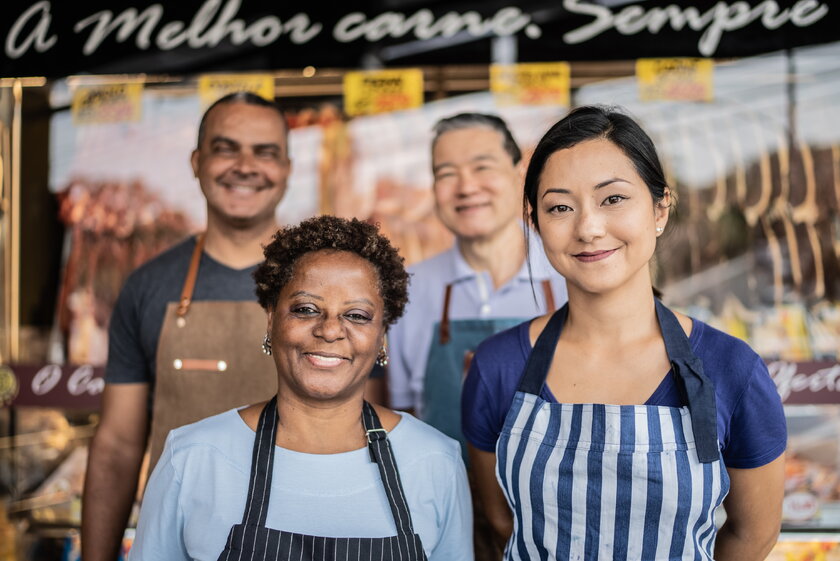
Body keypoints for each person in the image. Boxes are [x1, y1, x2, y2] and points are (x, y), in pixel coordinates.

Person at [462, 106, 786, 560]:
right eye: (559, 207)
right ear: (535, 224)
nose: (589, 228)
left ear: (659, 209)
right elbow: (498, 522)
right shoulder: (497, 366)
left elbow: (753, 535)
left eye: (612, 199)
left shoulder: (733, 369)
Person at [129, 215, 473, 560]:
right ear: (271, 320)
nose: (329, 330)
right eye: (306, 309)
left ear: (382, 335)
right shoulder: (193, 458)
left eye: (356, 315)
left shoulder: (435, 461)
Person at [82, 92, 292, 561]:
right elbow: (117, 445)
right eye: (226, 148)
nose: (245, 165)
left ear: (287, 169)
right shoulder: (148, 287)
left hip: (302, 542)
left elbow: (367, 429)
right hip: (173, 544)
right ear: (196, 162)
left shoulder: (323, 284)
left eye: (265, 152)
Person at [388, 113, 566, 449]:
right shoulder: (407, 290)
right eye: (447, 174)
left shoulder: (569, 276)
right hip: (447, 496)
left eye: (482, 167)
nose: (466, 187)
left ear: (519, 175)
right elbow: (401, 417)